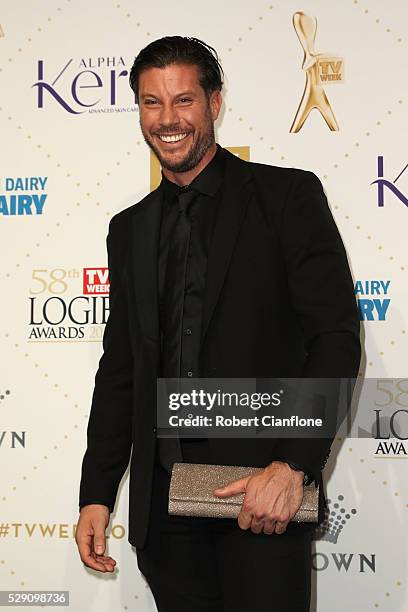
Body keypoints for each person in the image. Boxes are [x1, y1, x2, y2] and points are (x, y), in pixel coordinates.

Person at [76, 36, 361, 611]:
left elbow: (333, 338)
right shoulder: (128, 228)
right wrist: (97, 493)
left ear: (215, 103)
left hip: (262, 503)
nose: (167, 119)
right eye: (151, 103)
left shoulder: (286, 197)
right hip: (166, 516)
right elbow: (121, 367)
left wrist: (294, 466)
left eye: (183, 101)